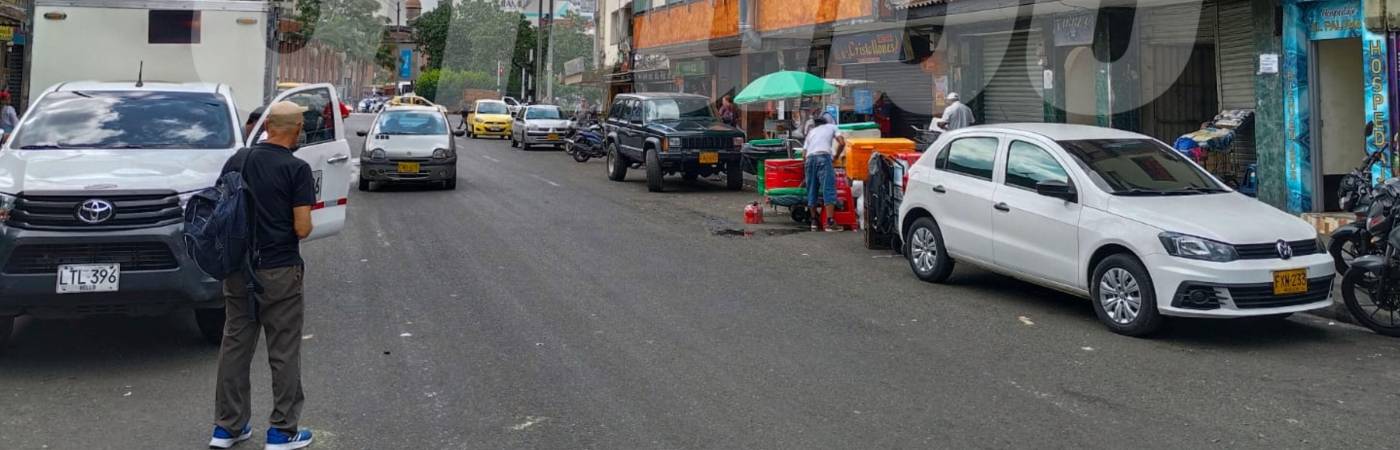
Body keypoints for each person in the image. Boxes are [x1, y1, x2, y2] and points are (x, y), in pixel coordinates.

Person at [209, 101, 316, 450]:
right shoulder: (296, 169)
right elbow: (302, 228)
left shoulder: (238, 160)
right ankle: (282, 432)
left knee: (235, 346)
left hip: (238, 269)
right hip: (280, 270)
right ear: (297, 129)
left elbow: (221, 207)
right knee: (283, 349)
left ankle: (227, 427)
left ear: (267, 125)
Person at [802, 112, 846, 232]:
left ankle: (813, 222)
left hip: (810, 160)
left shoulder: (811, 133)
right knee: (828, 188)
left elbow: (804, 155)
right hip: (824, 157)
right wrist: (836, 156)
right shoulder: (832, 127)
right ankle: (830, 221)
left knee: (811, 190)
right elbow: (842, 143)